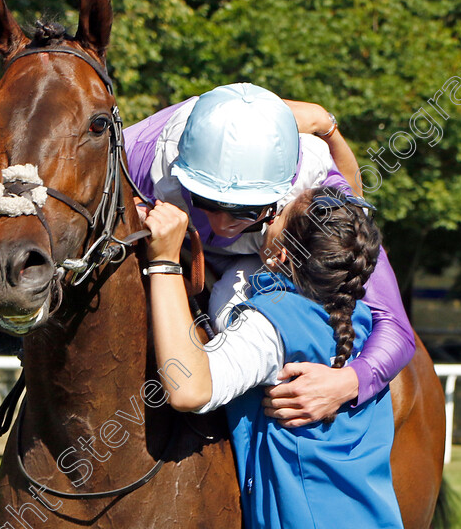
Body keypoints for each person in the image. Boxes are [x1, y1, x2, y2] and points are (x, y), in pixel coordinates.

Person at [124, 83, 414, 423]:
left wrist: (347, 383)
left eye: (244, 210)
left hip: (257, 272)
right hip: (202, 249)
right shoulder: (139, 152)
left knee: (237, 310)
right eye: (206, 203)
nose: (221, 224)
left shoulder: (319, 197)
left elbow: (395, 325)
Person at [144, 186, 403, 528]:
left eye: (279, 216)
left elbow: (189, 389)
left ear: (279, 256)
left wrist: (164, 261)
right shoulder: (360, 320)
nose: (270, 216)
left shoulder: (270, 324)